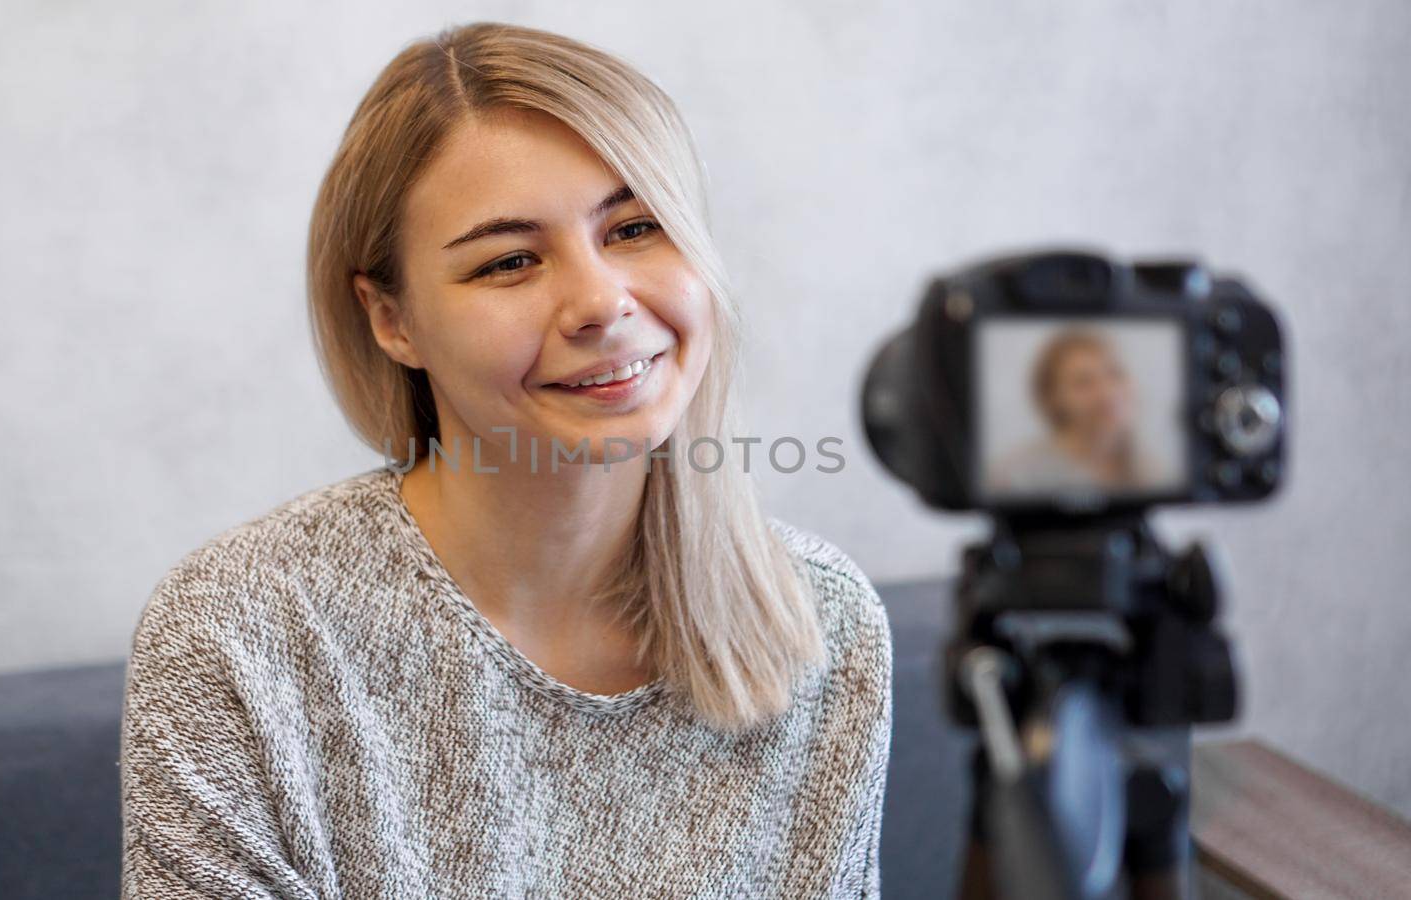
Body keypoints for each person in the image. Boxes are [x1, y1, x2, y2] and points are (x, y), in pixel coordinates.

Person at [121, 21, 892, 899]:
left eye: (636, 226)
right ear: (392, 319)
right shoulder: (237, 631)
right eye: (510, 261)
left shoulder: (819, 624)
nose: (601, 302)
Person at [985, 327, 1169, 497]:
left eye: (1116, 373)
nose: (1107, 393)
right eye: (1083, 382)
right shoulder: (1017, 476)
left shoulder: (1154, 472)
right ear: (1053, 399)